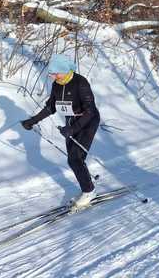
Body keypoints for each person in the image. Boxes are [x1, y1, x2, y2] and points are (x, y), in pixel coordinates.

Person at [21, 54, 100, 208]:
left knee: (75, 158)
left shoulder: (80, 83)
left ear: (64, 70)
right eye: (51, 74)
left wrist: (72, 129)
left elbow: (90, 111)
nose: (52, 76)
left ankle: (89, 191)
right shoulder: (57, 84)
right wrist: (32, 121)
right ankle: (87, 187)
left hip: (87, 122)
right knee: (74, 158)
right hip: (70, 122)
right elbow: (51, 107)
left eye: (55, 73)